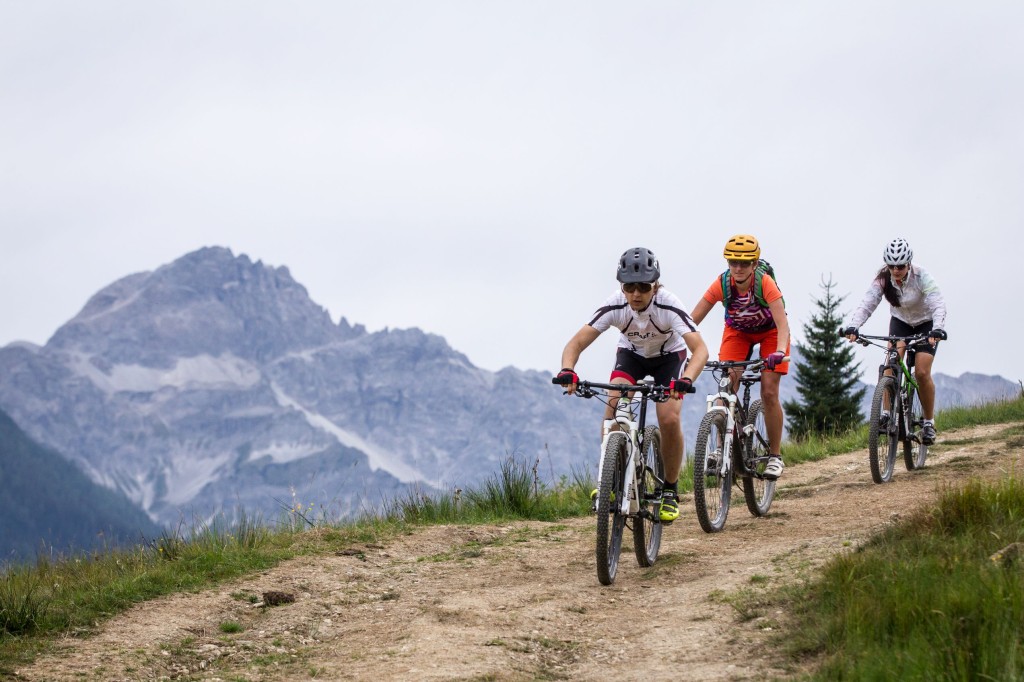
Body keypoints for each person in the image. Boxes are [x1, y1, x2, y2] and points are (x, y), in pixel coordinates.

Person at [554, 247, 708, 523]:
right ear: (621, 286)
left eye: (643, 287)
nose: (636, 294)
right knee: (612, 408)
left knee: (669, 418)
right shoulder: (616, 304)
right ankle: (610, 481)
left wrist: (686, 380)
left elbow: (700, 350)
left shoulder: (668, 305)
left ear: (655, 286)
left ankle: (670, 490)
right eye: (629, 287)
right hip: (632, 357)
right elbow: (575, 343)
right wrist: (568, 369)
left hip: (669, 359)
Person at [690, 234, 790, 480]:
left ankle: (775, 456)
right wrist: (678, 346)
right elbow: (691, 321)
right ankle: (721, 449)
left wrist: (778, 352)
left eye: (744, 263)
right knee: (726, 385)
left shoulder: (765, 283)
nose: (738, 268)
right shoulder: (722, 284)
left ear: (754, 264)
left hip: (770, 333)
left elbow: (782, 323)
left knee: (768, 391)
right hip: (738, 332)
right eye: (733, 262)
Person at [841, 237, 947, 444]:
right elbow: (868, 302)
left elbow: (937, 303)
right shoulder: (883, 279)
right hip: (901, 323)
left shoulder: (922, 276)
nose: (896, 270)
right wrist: (854, 325)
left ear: (908, 263)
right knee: (889, 366)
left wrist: (937, 329)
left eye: (900, 266)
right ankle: (887, 415)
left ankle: (928, 422)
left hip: (926, 324)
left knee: (922, 372)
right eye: (891, 266)